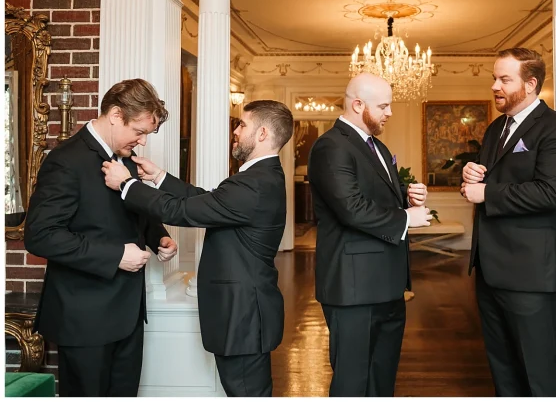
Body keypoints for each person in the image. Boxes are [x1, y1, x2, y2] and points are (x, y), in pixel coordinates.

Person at [102, 100, 294, 397]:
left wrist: (127, 185)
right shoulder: (258, 178)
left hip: (242, 314)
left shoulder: (254, 184)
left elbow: (182, 212)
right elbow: (208, 201)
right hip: (243, 312)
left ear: (262, 134)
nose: (236, 130)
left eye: (243, 124)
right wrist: (160, 178)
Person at [24, 79, 177, 397]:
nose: (143, 142)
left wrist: (158, 236)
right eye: (139, 131)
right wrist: (116, 256)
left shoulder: (126, 159)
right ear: (116, 115)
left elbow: (125, 212)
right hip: (85, 318)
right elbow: (40, 236)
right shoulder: (66, 161)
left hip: (128, 314)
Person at [461, 47, 556, 397]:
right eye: (494, 78)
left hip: (531, 273)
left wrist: (488, 194)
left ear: (530, 84)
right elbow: (488, 180)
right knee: (503, 366)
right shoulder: (496, 128)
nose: (494, 86)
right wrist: (471, 175)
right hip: (490, 270)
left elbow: (550, 194)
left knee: (538, 370)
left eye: (504, 79)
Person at [307, 72, 432, 397]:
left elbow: (374, 194)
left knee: (382, 374)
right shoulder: (330, 146)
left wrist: (406, 195)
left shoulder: (376, 145)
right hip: (352, 287)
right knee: (352, 380)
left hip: (386, 284)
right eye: (384, 106)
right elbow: (351, 208)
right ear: (357, 104)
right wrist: (407, 217)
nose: (389, 113)